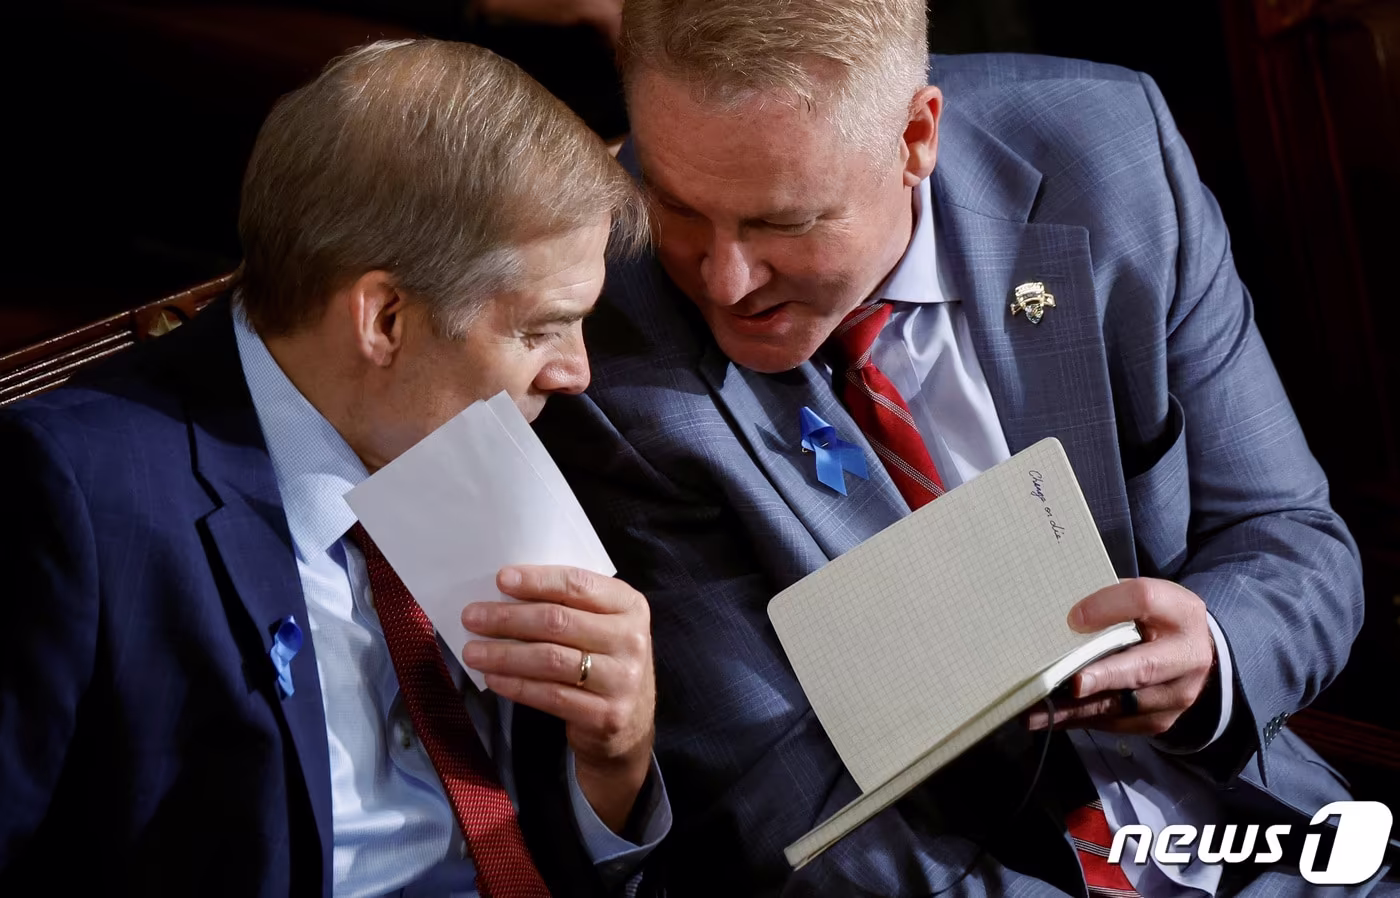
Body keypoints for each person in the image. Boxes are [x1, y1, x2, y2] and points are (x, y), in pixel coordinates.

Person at [534, 1, 1394, 894]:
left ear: (916, 137)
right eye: (676, 205)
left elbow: (1293, 538)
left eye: (783, 224)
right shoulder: (602, 333)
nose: (724, 279)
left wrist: (1215, 654)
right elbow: (785, 801)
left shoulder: (1112, 159)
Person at [0, 39, 667, 897]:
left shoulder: (474, 439)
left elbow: (553, 838)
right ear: (384, 320)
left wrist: (613, 760)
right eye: (540, 329)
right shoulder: (74, 499)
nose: (576, 373)